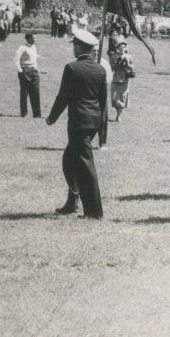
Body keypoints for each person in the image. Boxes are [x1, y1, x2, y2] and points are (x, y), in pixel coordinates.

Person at [46, 29, 105, 218]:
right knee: (69, 160)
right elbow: (103, 101)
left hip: (79, 122)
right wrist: (101, 125)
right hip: (93, 121)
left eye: (75, 45)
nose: (74, 48)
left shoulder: (72, 68)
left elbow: (63, 96)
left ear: (79, 47)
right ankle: (73, 201)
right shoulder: (100, 68)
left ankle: (94, 212)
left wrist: (51, 118)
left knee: (85, 165)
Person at [15, 32, 42, 118]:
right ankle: (24, 113)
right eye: (34, 38)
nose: (36, 39)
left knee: (35, 92)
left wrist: (36, 69)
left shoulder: (34, 47)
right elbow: (16, 60)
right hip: (25, 71)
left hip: (33, 71)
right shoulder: (22, 48)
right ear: (28, 38)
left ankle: (37, 114)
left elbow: (34, 59)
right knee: (24, 93)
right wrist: (20, 71)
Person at [110, 40, 135, 122]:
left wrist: (128, 63)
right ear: (117, 48)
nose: (123, 49)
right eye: (121, 47)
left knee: (123, 98)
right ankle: (118, 114)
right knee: (115, 98)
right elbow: (111, 68)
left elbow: (133, 68)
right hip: (115, 79)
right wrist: (117, 63)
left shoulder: (129, 57)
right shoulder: (113, 57)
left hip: (125, 80)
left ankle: (119, 116)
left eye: (124, 47)